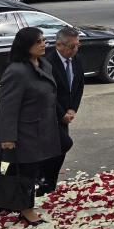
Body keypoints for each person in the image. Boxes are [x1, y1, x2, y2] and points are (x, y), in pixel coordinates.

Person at [0, 27, 60, 224]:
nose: (44, 44)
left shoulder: (43, 64)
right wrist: (7, 137)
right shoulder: (17, 71)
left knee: (29, 170)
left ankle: (12, 201)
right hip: (24, 132)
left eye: (43, 40)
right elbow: (7, 106)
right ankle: (25, 208)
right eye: (38, 41)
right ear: (26, 46)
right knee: (23, 172)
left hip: (42, 128)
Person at [40, 27, 84, 195]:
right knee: (62, 144)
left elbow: (79, 86)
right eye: (72, 46)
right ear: (59, 45)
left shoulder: (77, 59)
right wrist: (62, 114)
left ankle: (49, 183)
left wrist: (73, 109)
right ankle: (43, 179)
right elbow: (48, 93)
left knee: (59, 149)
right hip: (49, 114)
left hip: (66, 113)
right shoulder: (48, 62)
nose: (75, 49)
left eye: (77, 45)